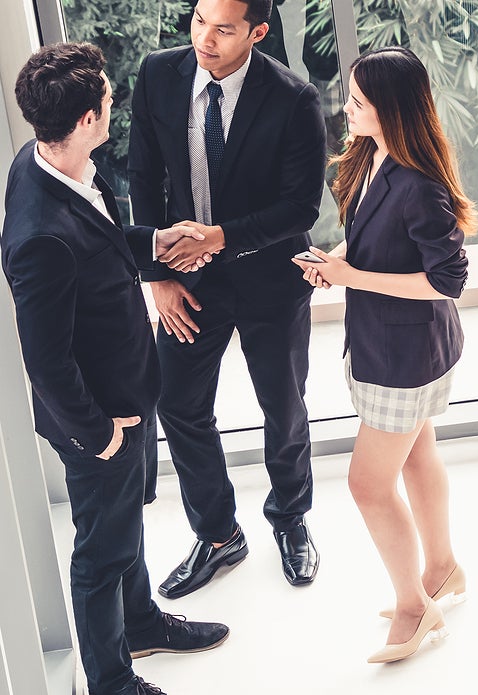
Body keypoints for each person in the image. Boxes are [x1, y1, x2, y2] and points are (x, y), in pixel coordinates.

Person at [4, 42, 228, 695]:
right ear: (83, 120)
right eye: (104, 97)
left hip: (127, 385)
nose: (112, 103)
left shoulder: (57, 163)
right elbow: (44, 359)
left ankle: (142, 622)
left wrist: (156, 244)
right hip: (100, 418)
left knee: (124, 522)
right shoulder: (38, 236)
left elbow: (103, 240)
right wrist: (99, 433)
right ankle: (110, 680)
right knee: (100, 552)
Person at [126, 0, 328, 597]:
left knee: (283, 407)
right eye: (198, 20)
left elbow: (302, 208)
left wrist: (223, 237)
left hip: (270, 279)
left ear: (257, 33)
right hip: (188, 281)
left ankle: (290, 519)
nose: (204, 38)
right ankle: (218, 535)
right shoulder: (158, 74)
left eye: (223, 28)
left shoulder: (295, 99)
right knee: (179, 404)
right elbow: (143, 175)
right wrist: (158, 274)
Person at [292, 45, 470, 663]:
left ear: (389, 111)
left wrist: (351, 277)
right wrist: (339, 264)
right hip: (394, 345)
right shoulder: (374, 159)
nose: (346, 108)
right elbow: (373, 240)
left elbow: (447, 279)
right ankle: (442, 569)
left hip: (404, 355)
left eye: (358, 102)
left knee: (368, 485)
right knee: (418, 455)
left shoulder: (419, 186)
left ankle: (415, 607)